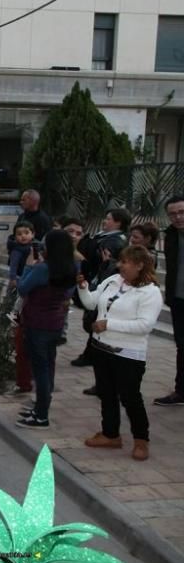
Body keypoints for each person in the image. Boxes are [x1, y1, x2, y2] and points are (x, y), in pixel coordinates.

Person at [75, 245, 162, 461]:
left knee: (130, 398)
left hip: (128, 355)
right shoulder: (112, 281)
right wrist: (83, 287)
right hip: (100, 348)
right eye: (120, 261)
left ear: (140, 265)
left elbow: (145, 325)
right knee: (106, 393)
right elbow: (91, 302)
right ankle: (110, 434)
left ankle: (141, 440)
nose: (119, 265)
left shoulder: (150, 292)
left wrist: (109, 324)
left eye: (125, 262)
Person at [14, 230, 77, 429]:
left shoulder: (43, 269)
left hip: (37, 323)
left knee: (40, 370)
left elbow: (23, 288)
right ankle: (41, 407)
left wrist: (27, 268)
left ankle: (41, 416)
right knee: (48, 367)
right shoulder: (70, 268)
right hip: (55, 324)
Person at [72, 207, 131, 369]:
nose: (105, 221)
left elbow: (104, 264)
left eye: (109, 219)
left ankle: (93, 354)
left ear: (118, 222)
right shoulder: (104, 237)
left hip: (102, 284)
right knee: (91, 320)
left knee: (94, 320)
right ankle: (92, 353)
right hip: (96, 281)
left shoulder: (114, 241)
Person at [155, 194, 184, 407]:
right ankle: (180, 391)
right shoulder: (170, 236)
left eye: (182, 212)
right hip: (178, 299)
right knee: (182, 347)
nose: (178, 217)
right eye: (173, 214)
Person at [6, 220, 36, 323]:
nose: (23, 236)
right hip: (18, 278)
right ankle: (10, 318)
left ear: (33, 234)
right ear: (15, 237)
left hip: (29, 278)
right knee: (14, 301)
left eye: (26, 233)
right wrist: (13, 278)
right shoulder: (17, 250)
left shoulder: (34, 248)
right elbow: (13, 265)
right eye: (19, 234)